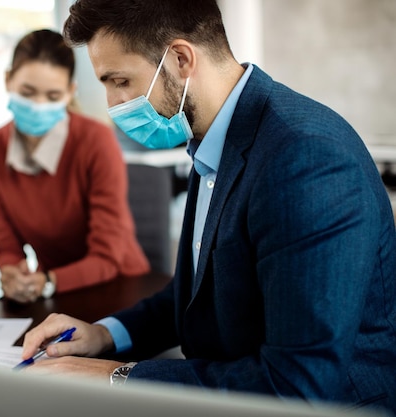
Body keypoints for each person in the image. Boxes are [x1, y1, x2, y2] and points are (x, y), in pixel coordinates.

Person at [20, 0, 396, 413]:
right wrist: (105, 336)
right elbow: (198, 295)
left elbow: (297, 385)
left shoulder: (305, 159)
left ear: (181, 59)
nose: (113, 106)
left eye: (121, 80)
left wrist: (116, 376)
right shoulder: (217, 137)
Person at [0, 29, 149, 304]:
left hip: (120, 288)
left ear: (70, 92)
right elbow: (6, 245)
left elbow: (107, 257)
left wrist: (47, 281)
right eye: (28, 92)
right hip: (50, 293)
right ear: (7, 80)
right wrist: (12, 273)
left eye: (52, 95)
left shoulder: (95, 141)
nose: (38, 105)